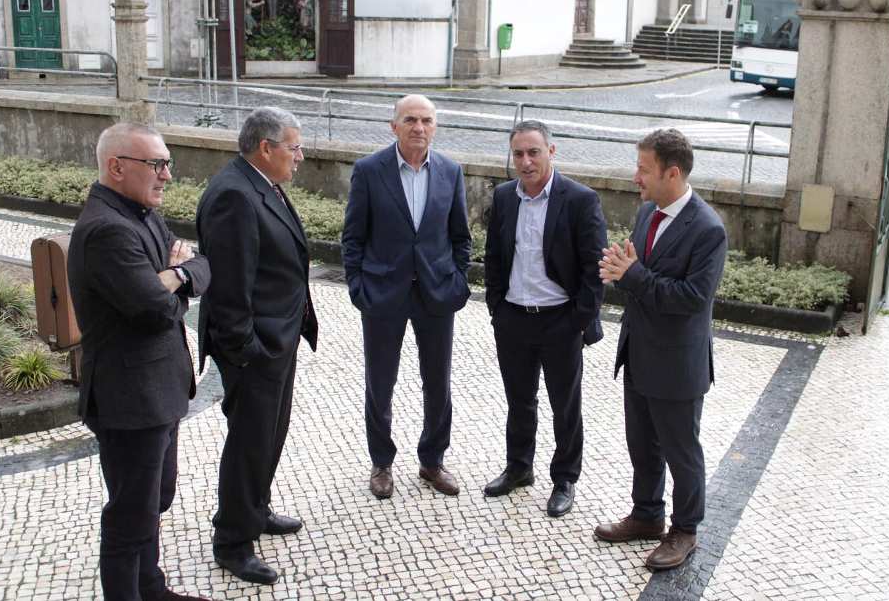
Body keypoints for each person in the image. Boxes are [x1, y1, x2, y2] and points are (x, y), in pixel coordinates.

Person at [67, 122, 212, 601]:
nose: (167, 175)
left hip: (160, 390)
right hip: (129, 400)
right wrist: (175, 279)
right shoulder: (106, 229)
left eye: (167, 163)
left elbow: (200, 266)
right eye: (157, 164)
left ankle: (151, 587)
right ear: (117, 167)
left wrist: (171, 276)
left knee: (155, 500)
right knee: (130, 513)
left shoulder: (142, 213)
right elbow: (153, 310)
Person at [595, 128, 727, 571]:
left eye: (644, 169)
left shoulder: (708, 229)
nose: (636, 177)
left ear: (672, 173)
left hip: (677, 364)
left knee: (681, 451)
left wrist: (631, 275)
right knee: (642, 446)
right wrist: (620, 270)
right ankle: (647, 515)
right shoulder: (648, 212)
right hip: (639, 354)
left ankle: (685, 530)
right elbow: (642, 276)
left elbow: (692, 298)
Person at [197, 107, 318, 585]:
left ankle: (255, 508)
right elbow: (229, 288)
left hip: (277, 339)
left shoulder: (260, 185)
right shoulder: (234, 195)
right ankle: (232, 539)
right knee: (249, 441)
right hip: (255, 348)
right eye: (293, 147)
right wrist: (247, 349)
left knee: (268, 434)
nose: (300, 157)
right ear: (265, 148)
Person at [342, 94, 472, 500]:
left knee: (438, 383)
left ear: (436, 126)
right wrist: (358, 287)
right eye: (411, 120)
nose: (419, 127)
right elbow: (353, 237)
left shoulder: (451, 171)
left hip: (436, 295)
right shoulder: (368, 170)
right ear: (393, 125)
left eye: (427, 121)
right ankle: (381, 462)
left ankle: (432, 459)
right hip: (382, 294)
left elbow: (460, 237)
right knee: (380, 383)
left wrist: (456, 281)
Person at [482, 120, 607, 517]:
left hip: (560, 320)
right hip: (514, 318)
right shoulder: (504, 197)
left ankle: (565, 479)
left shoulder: (579, 199)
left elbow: (595, 269)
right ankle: (519, 468)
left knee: (564, 405)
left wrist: (578, 320)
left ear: (552, 152)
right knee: (519, 401)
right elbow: (495, 257)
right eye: (518, 153)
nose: (525, 161)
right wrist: (497, 309)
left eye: (533, 152)